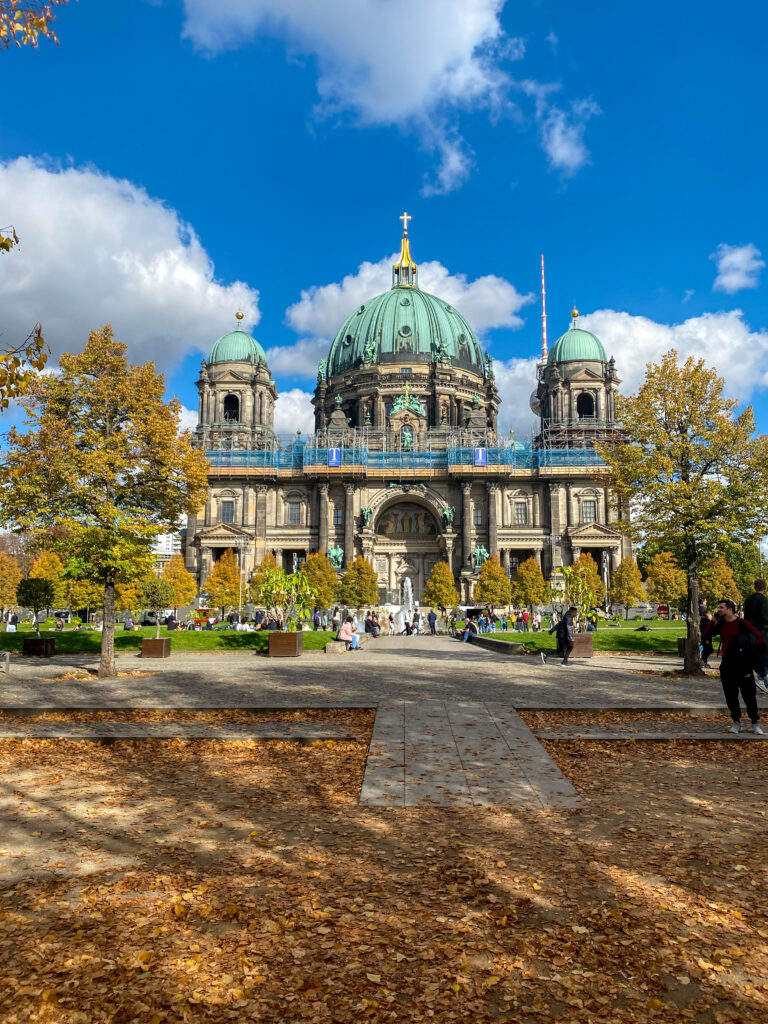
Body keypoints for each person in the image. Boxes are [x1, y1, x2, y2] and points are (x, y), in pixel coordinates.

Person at [702, 598, 764, 734]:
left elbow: (759, 637)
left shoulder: (743, 624)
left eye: (721, 608)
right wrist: (712, 622)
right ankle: (736, 721)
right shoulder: (720, 624)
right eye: (718, 607)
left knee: (749, 695)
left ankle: (755, 722)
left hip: (743, 663)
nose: (718, 610)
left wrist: (750, 648)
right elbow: (706, 635)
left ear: (730, 610)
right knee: (730, 695)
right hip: (727, 663)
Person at [743, 579, 768, 692]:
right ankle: (761, 678)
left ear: (754, 587)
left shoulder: (748, 600)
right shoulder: (762, 600)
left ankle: (762, 681)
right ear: (765, 587)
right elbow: (764, 616)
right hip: (761, 631)